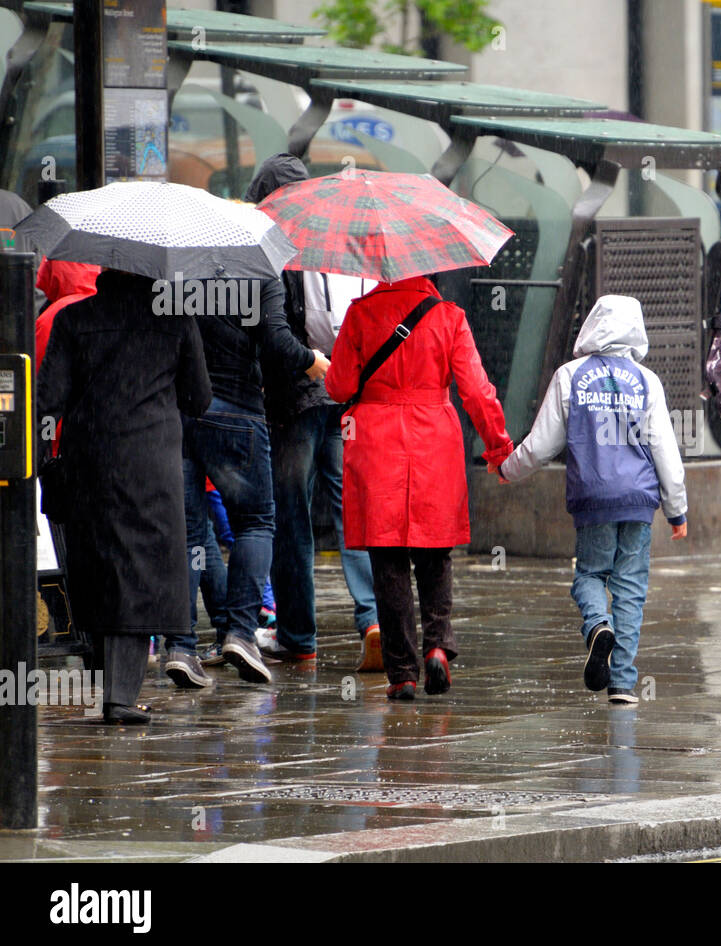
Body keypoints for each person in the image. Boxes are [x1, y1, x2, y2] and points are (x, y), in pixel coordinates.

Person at [324, 275, 513, 700]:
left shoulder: (359, 313)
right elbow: (477, 392)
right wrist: (498, 447)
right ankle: (438, 647)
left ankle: (403, 673)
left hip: (376, 441)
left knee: (386, 557)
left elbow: (337, 387)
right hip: (435, 440)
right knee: (434, 551)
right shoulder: (449, 316)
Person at [496, 295, 689, 705]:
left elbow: (541, 445)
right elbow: (666, 452)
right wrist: (677, 509)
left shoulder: (570, 376)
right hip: (638, 500)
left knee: (589, 575)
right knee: (631, 588)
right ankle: (622, 683)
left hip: (593, 497)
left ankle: (598, 625)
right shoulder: (646, 380)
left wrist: (507, 469)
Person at [37, 270, 212, 723]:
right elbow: (199, 399)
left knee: (95, 562)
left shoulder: (75, 319)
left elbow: (49, 398)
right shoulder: (176, 320)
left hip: (90, 456)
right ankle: (119, 695)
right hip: (150, 461)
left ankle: (108, 688)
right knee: (141, 569)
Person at [243, 154, 380, 666]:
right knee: (353, 510)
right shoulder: (334, 235)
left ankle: (298, 637)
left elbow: (273, 334)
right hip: (343, 389)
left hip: (294, 396)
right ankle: (374, 619)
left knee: (292, 516)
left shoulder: (272, 248)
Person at [169, 263, 330, 689]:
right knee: (256, 523)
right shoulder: (259, 275)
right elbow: (277, 341)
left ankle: (181, 646)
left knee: (188, 532)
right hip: (238, 413)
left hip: (182, 414)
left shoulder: (180, 276)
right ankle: (240, 632)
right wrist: (310, 360)